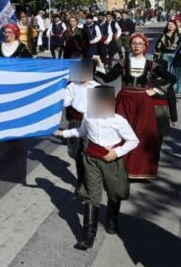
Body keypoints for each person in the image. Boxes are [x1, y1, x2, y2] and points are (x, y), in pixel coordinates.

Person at [54, 87, 140, 250]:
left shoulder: (119, 120)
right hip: (91, 160)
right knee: (91, 196)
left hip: (111, 161)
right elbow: (82, 131)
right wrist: (62, 134)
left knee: (116, 192)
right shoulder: (88, 116)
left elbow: (133, 141)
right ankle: (88, 237)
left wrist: (116, 152)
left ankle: (112, 220)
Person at [95, 33, 176, 179]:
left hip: (143, 102)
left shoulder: (151, 64)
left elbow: (172, 78)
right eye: (134, 43)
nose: (137, 46)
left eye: (140, 43)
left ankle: (139, 170)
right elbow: (108, 79)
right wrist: (99, 66)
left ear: (145, 46)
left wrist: (156, 90)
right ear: (130, 45)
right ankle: (117, 167)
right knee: (118, 133)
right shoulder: (123, 63)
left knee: (142, 134)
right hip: (124, 101)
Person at [63, 60, 100, 190]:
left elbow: (105, 113)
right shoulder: (72, 85)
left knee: (89, 155)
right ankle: (80, 183)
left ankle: (90, 184)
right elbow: (65, 103)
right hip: (76, 123)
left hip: (92, 124)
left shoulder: (98, 86)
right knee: (77, 155)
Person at [154, 20, 181, 96]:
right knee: (165, 73)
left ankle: (177, 91)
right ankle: (165, 89)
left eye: (172, 24)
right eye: (169, 24)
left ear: (176, 26)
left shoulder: (180, 35)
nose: (170, 25)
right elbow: (158, 47)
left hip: (175, 56)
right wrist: (156, 57)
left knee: (176, 72)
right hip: (164, 56)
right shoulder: (163, 36)